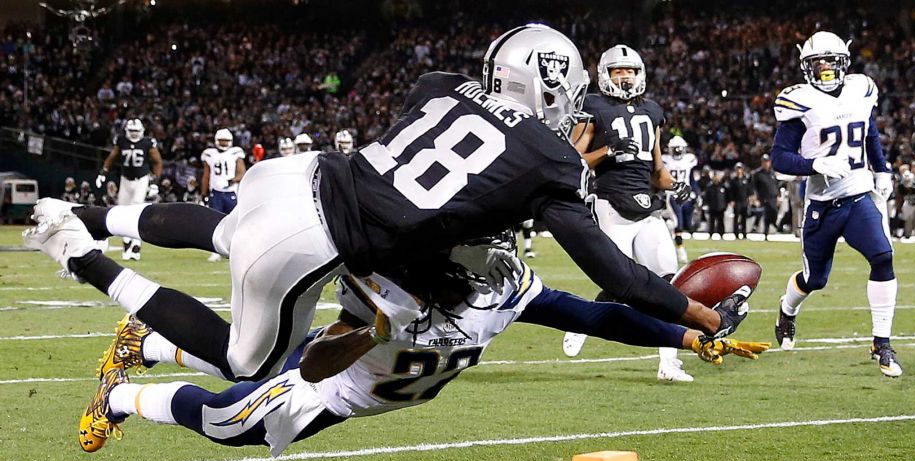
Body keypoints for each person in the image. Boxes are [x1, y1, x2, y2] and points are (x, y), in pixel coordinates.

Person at [27, 24, 749, 388]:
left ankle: (92, 216)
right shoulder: (552, 158)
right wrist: (702, 314)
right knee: (245, 361)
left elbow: (437, 175)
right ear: (557, 86)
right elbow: (616, 279)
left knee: (223, 228)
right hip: (320, 238)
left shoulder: (437, 83)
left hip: (303, 172)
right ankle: (79, 253)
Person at [78, 251, 768, 453]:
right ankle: (118, 395)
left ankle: (150, 344)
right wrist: (369, 327)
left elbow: (601, 314)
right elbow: (324, 352)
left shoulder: (510, 283)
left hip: (365, 392)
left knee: (248, 378)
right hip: (336, 380)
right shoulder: (388, 277)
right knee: (235, 420)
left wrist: (687, 332)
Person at [559, 44, 695, 382]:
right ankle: (581, 322)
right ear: (605, 74)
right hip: (610, 202)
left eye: (630, 71)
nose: (625, 76)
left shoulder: (652, 111)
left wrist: (675, 186)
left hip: (648, 207)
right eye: (619, 71)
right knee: (619, 283)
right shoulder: (593, 106)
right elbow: (571, 160)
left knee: (669, 282)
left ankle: (668, 363)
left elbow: (658, 168)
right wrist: (608, 150)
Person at [770, 31, 900, 376]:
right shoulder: (800, 102)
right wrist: (813, 165)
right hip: (823, 204)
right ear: (806, 67)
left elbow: (869, 131)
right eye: (817, 62)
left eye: (831, 61)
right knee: (815, 279)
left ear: (844, 61)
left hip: (857, 194)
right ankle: (787, 311)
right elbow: (779, 159)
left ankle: (882, 343)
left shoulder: (861, 89)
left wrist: (882, 169)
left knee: (883, 256)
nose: (825, 67)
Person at [95, 118, 163, 261]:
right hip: (125, 179)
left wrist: (155, 182)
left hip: (141, 180)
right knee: (122, 212)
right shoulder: (121, 141)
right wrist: (103, 173)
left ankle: (136, 247)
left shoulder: (147, 143)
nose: (133, 134)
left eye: (136, 131)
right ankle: (127, 245)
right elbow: (111, 157)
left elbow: (157, 162)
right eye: (131, 131)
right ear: (126, 130)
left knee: (135, 211)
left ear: (141, 131)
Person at [201, 129, 246, 261]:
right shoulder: (209, 154)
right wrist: (204, 192)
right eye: (222, 140)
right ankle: (216, 251)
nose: (224, 143)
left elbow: (242, 172)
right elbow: (206, 175)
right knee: (215, 222)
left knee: (234, 222)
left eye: (226, 141)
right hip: (215, 191)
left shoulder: (235, 153)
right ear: (216, 140)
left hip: (231, 192)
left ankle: (235, 249)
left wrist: (233, 180)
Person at [661, 135, 697, 263]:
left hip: (686, 194)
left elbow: (692, 178)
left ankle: (667, 231)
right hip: (671, 195)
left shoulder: (689, 159)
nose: (677, 151)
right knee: (677, 223)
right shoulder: (665, 160)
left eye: (679, 149)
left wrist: (695, 192)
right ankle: (680, 249)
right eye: (675, 149)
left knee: (687, 224)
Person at [752, 154, 779, 239]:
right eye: (764, 162)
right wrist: (755, 197)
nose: (765, 163)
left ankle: (773, 223)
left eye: (767, 162)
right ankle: (766, 233)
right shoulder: (758, 174)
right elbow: (754, 186)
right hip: (764, 197)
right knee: (768, 213)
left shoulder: (772, 173)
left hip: (773, 196)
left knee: (774, 212)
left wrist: (778, 195)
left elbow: (776, 185)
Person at [727, 163, 752, 239]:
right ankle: (736, 233)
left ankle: (744, 233)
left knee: (744, 218)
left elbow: (749, 190)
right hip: (737, 201)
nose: (739, 170)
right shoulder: (733, 181)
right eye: (737, 169)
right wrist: (731, 200)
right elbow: (730, 191)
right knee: (736, 218)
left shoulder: (746, 179)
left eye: (740, 168)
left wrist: (750, 198)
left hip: (744, 201)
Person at [704, 170, 727, 239]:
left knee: (721, 221)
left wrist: (725, 205)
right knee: (712, 222)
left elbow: (727, 196)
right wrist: (707, 204)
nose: (716, 178)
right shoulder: (709, 187)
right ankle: (711, 234)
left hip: (721, 207)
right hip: (712, 206)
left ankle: (722, 234)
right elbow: (706, 197)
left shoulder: (723, 186)